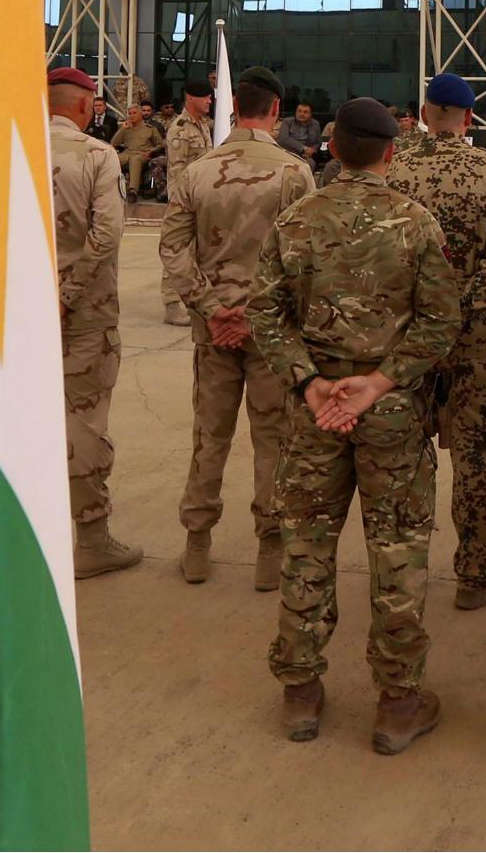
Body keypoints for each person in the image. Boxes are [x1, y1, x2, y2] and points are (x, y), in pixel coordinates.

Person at [247, 97, 460, 753]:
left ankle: (301, 693)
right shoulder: (417, 223)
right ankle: (398, 703)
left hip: (315, 412)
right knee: (397, 550)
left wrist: (311, 382)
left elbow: (265, 314)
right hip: (388, 410)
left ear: (332, 149)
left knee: (307, 544)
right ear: (392, 153)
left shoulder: (297, 219)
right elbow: (440, 320)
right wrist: (381, 380)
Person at [161, 66, 317, 589]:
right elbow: (303, 258)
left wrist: (212, 307)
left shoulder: (197, 171)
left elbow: (173, 249)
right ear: (275, 110)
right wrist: (256, 312)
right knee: (274, 438)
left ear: (233, 110)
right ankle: (269, 553)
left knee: (210, 436)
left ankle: (197, 545)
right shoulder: (294, 172)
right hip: (271, 332)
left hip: (214, 330)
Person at [387, 73, 486, 611]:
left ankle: (401, 577)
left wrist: (420, 315)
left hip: (404, 336)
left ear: (424, 112)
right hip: (474, 337)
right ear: (469, 118)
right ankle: (476, 573)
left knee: (401, 456)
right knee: (474, 456)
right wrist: (459, 309)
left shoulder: (393, 170)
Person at [47, 67, 141, 578]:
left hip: (19, 314)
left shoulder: (11, 152)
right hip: (83, 314)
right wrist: (66, 295)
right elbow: (106, 235)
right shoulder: (97, 155)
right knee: (82, 421)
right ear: (85, 107)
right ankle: (90, 539)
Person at [160, 80, 214, 324]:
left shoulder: (202, 126)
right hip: (184, 199)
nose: (209, 101)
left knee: (196, 252)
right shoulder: (180, 129)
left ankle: (191, 298)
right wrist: (181, 203)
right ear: (190, 98)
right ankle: (172, 303)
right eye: (205, 97)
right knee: (177, 249)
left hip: (201, 195)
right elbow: (177, 170)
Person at [112, 103, 163, 202]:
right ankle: (109, 189)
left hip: (142, 154)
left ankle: (133, 191)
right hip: (127, 153)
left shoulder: (150, 128)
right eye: (129, 113)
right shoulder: (126, 128)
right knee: (113, 159)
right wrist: (123, 129)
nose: (131, 115)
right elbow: (113, 143)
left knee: (135, 160)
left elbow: (160, 144)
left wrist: (150, 151)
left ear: (140, 114)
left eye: (134, 113)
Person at [278, 100, 323, 167]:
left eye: (305, 112)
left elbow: (318, 142)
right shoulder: (287, 122)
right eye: (299, 111)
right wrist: (304, 149)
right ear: (296, 112)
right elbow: (283, 139)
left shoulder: (315, 124)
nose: (302, 114)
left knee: (311, 164)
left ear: (310, 114)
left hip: (305, 156)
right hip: (288, 153)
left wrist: (312, 150)